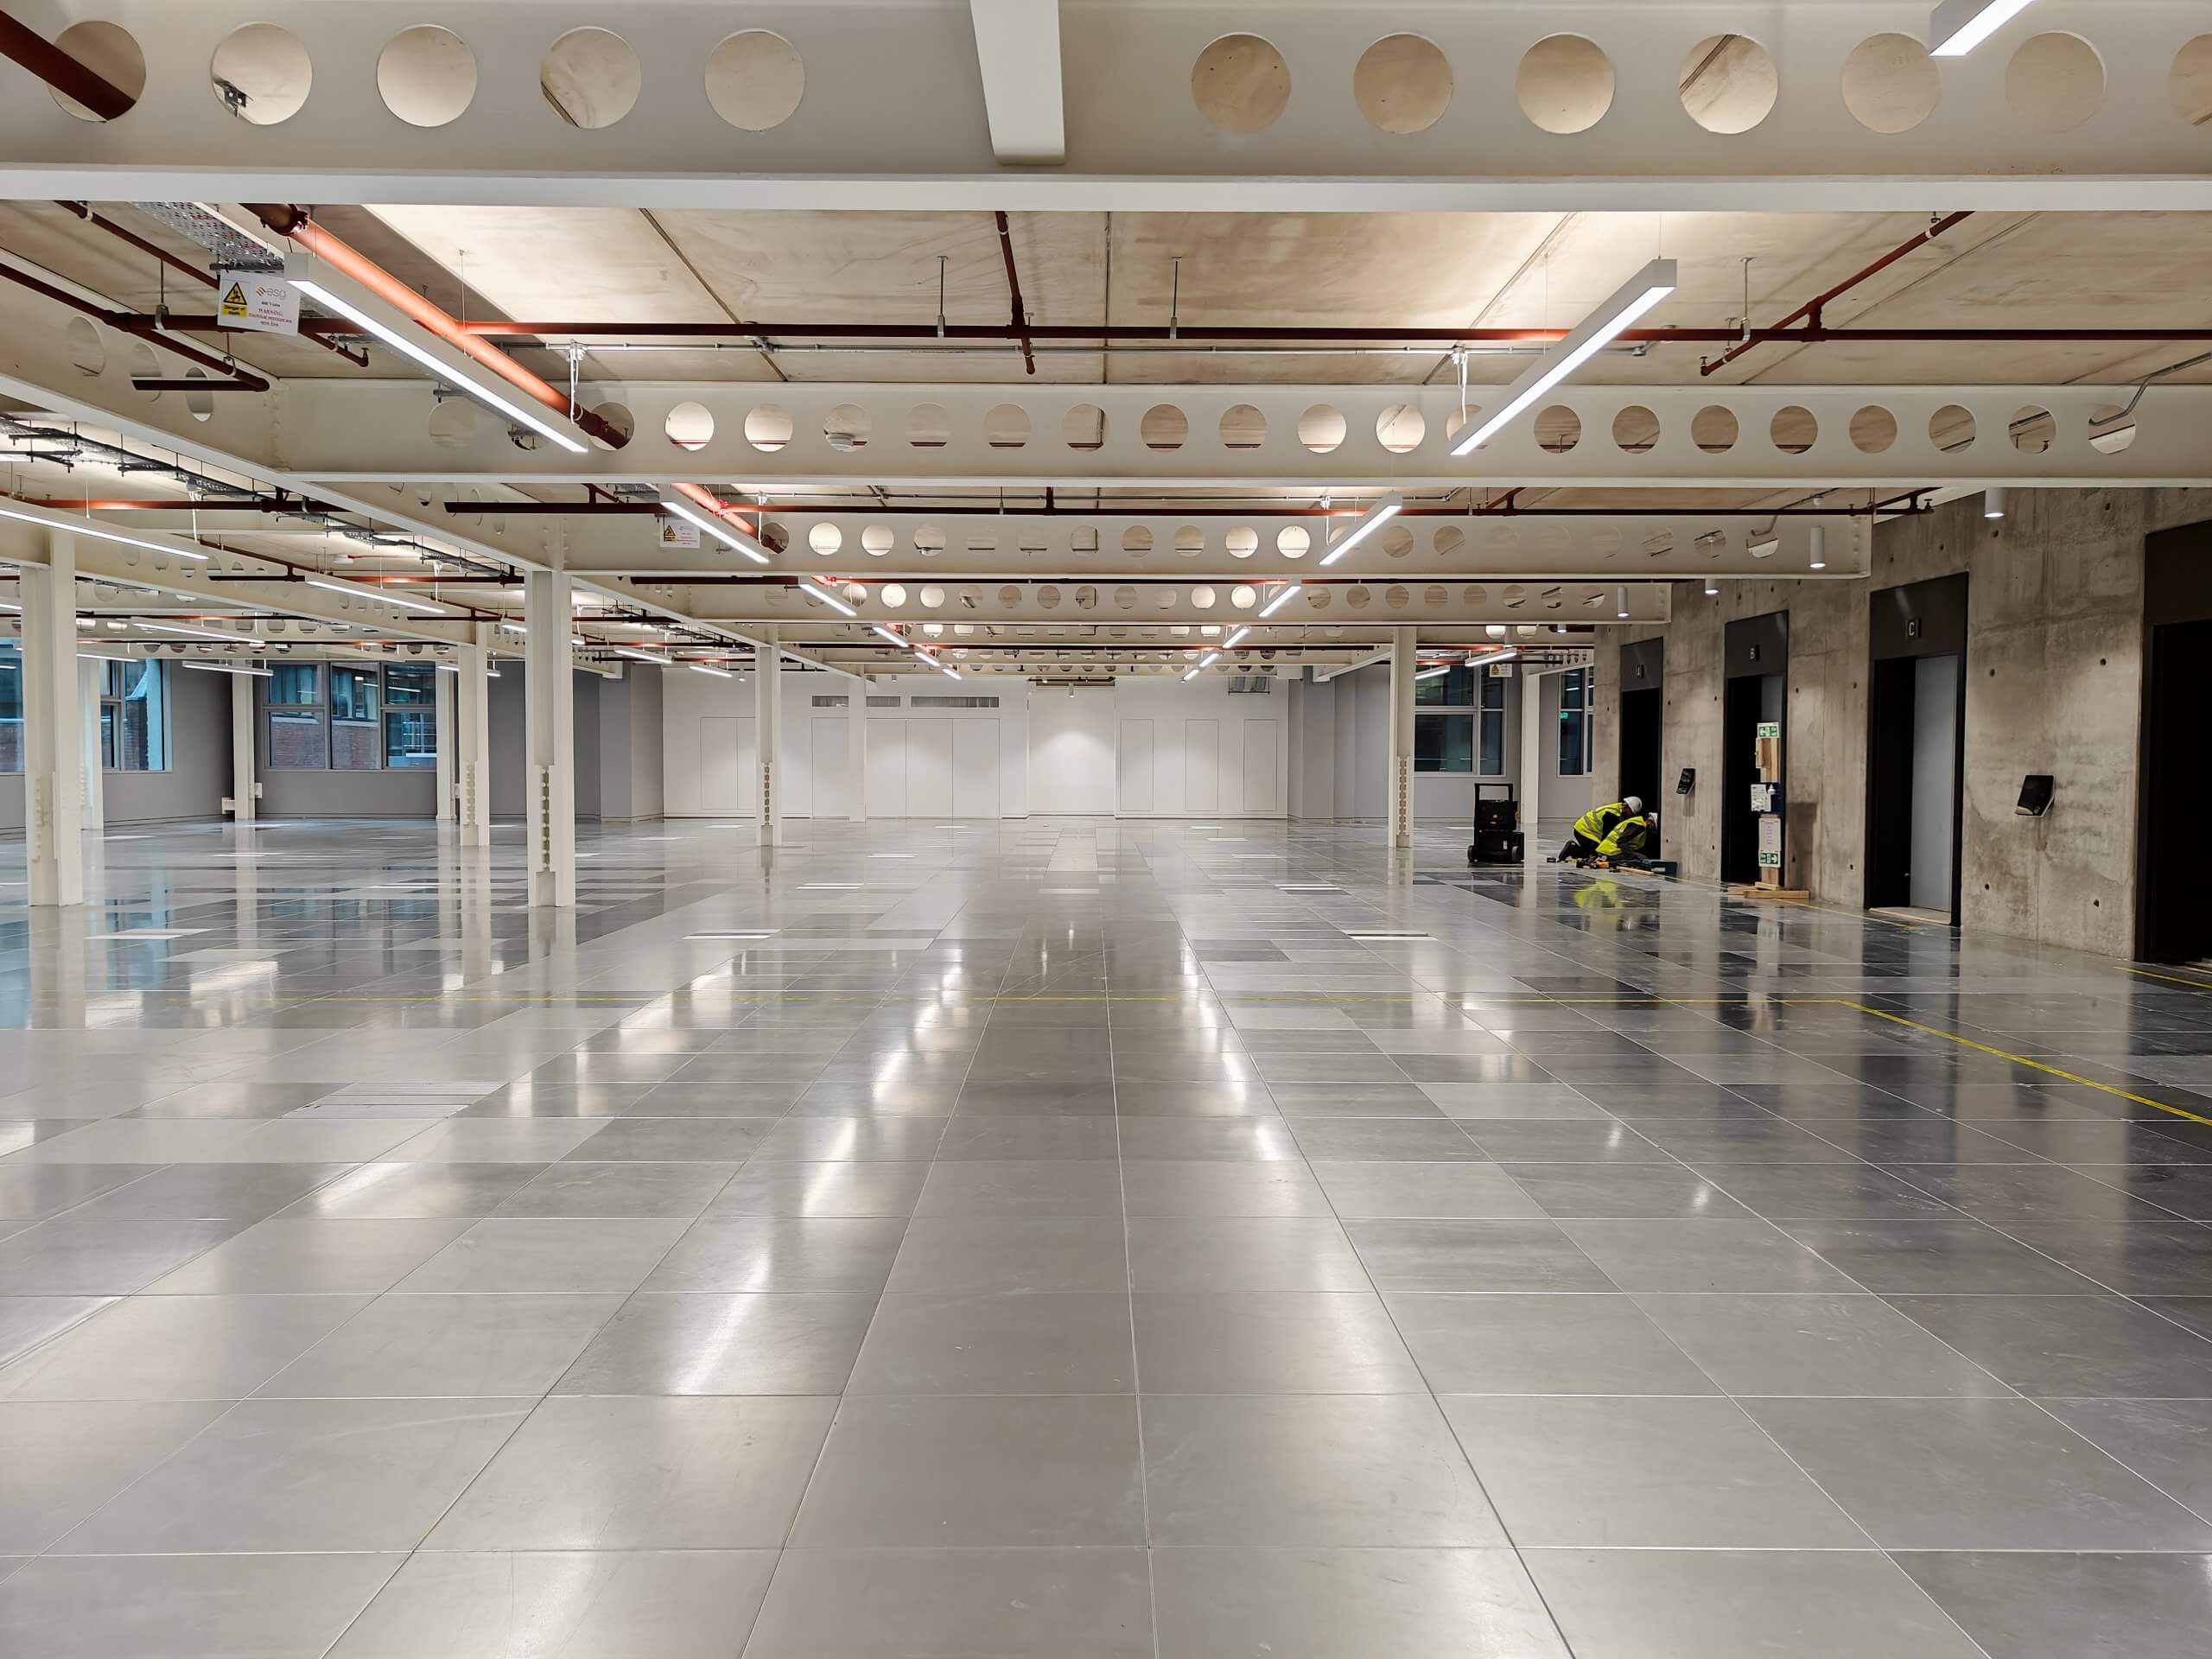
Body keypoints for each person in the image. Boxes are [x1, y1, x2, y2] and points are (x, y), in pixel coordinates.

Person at [1562, 796, 1643, 863]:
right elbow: (1606, 835)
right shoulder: (1612, 815)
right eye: (1631, 813)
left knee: (1592, 851)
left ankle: (1574, 849)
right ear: (1626, 807)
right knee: (1597, 853)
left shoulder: (1617, 809)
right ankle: (1572, 849)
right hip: (1584, 830)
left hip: (1585, 829)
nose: (1631, 816)